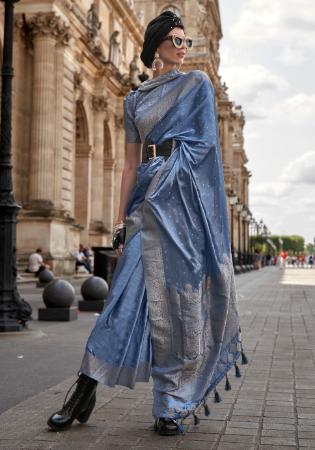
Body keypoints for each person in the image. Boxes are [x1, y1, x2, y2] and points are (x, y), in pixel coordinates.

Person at [47, 10, 247, 436]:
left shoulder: (197, 85)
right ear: (155, 45)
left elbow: (206, 146)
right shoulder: (134, 100)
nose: (182, 47)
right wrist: (121, 220)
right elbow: (128, 165)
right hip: (147, 205)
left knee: (178, 308)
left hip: (182, 208)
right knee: (119, 300)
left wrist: (174, 174)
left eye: (185, 41)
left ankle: (170, 404)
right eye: (175, 40)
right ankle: (84, 390)